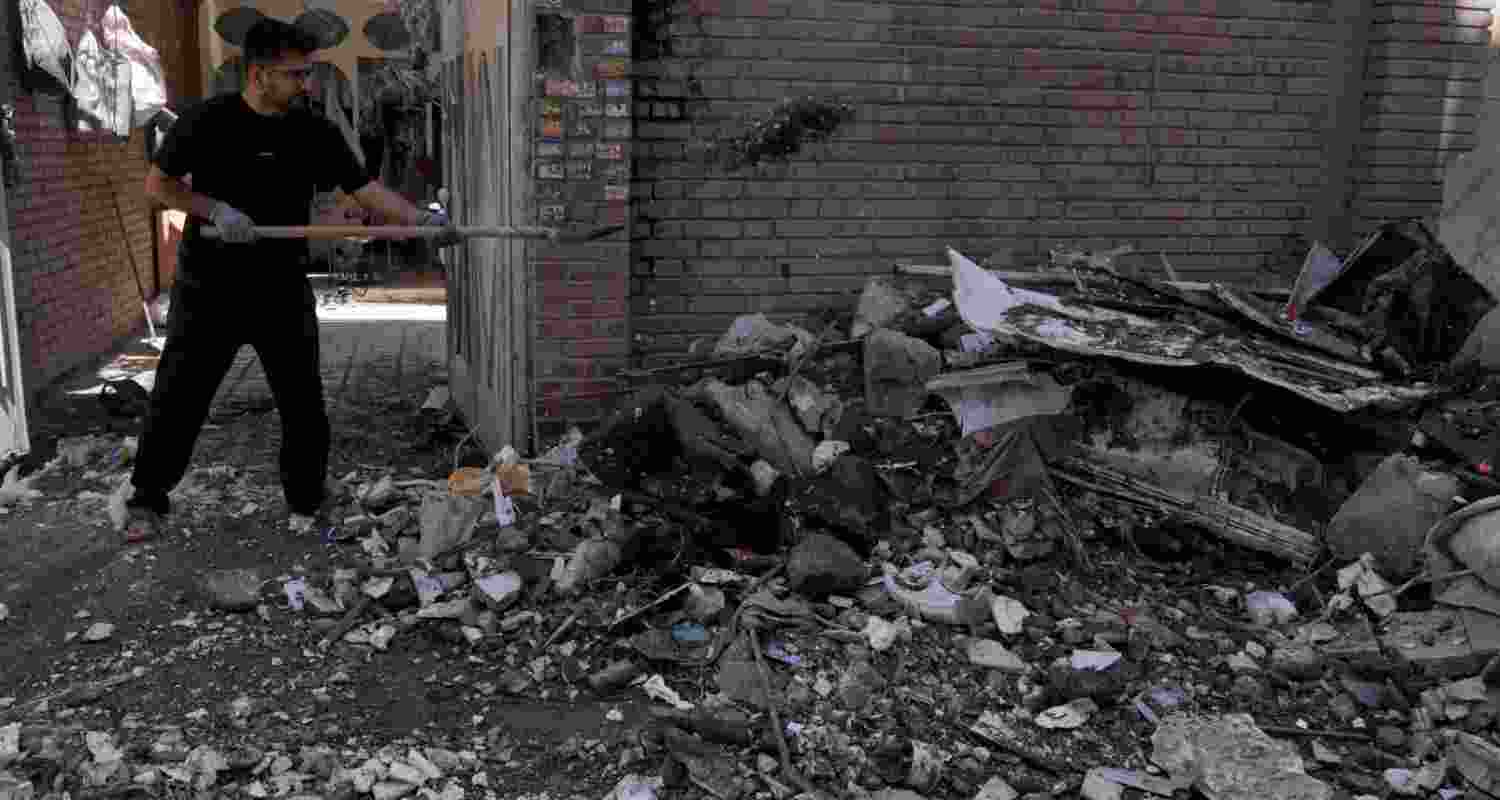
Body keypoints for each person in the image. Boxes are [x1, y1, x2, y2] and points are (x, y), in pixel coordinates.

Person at [122, 17, 459, 542]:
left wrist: (422, 222)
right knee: (180, 395)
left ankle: (306, 497)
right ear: (259, 75)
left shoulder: (311, 127)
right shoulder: (206, 121)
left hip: (280, 285)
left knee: (303, 400)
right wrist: (215, 210)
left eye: (309, 73)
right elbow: (158, 186)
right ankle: (147, 498)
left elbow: (365, 190)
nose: (307, 83)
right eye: (297, 74)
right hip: (208, 288)